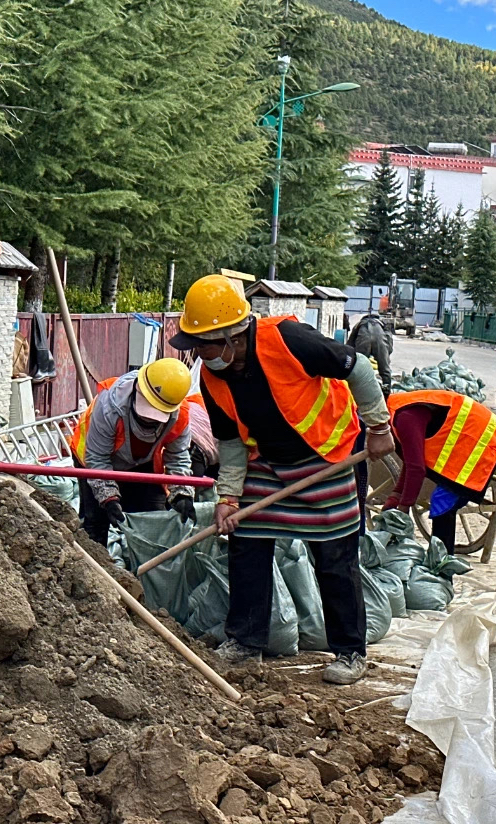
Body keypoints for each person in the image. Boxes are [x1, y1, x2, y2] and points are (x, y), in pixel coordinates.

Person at [171, 274, 395, 685]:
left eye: (203, 345)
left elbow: (358, 368)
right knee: (246, 541)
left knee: (335, 557)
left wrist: (379, 426)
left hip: (327, 456)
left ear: (231, 336)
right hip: (268, 464)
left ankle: (349, 651)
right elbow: (231, 443)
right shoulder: (213, 377)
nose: (199, 354)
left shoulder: (289, 340)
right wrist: (228, 498)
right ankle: (245, 640)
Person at [69, 358, 198, 546]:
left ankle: (146, 562)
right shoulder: (110, 406)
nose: (148, 421)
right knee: (96, 521)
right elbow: (97, 458)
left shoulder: (180, 416)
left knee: (151, 519)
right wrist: (109, 498)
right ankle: (94, 562)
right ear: (138, 389)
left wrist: (182, 493)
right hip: (92, 458)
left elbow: (178, 456)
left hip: (140, 460)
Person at [381, 389, 496, 554]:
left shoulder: (404, 417)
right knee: (443, 502)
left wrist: (403, 508)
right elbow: (412, 461)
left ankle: (442, 563)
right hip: (469, 436)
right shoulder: (395, 408)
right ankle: (440, 558)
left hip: (479, 439)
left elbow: (416, 469)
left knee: (442, 502)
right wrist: (396, 495)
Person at [348, 311, 393, 392]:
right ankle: (387, 390)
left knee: (359, 367)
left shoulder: (359, 324)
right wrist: (385, 356)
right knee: (385, 370)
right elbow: (389, 343)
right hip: (380, 340)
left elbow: (350, 345)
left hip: (363, 339)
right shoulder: (383, 325)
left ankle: (355, 391)